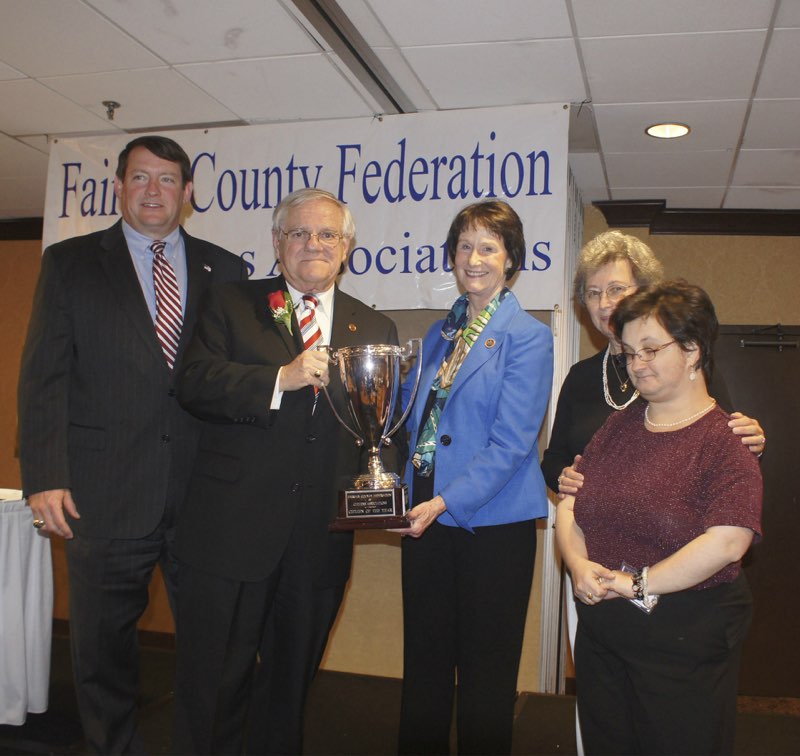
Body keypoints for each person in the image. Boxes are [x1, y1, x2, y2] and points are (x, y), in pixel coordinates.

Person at [17, 135, 247, 753]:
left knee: (212, 652)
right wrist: (44, 475)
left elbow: (236, 384)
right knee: (102, 654)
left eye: (167, 179)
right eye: (140, 177)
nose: (153, 190)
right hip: (104, 495)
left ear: (188, 193)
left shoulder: (226, 270)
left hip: (204, 497)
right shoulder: (70, 264)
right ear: (118, 187)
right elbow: (44, 377)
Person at [171, 188, 403, 755]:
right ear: (277, 243)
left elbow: (382, 428)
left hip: (318, 539)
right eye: (299, 233)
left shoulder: (372, 326)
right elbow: (193, 384)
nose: (313, 244)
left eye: (327, 234)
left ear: (346, 247)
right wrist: (280, 378)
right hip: (231, 532)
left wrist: (387, 490)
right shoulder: (230, 303)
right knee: (214, 685)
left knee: (290, 687)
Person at [541, 230, 764, 755]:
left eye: (651, 350)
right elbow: (571, 505)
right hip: (605, 638)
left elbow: (729, 542)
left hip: (684, 645)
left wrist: (636, 584)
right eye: (630, 352)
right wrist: (577, 565)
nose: (636, 363)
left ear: (692, 352)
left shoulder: (722, 438)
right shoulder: (617, 428)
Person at [396, 200, 553, 755]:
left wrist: (442, 502)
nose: (474, 257)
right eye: (464, 245)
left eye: (488, 246)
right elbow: (413, 423)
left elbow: (512, 444)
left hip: (491, 527)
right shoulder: (441, 333)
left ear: (511, 259)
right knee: (425, 667)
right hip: (424, 521)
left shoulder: (528, 337)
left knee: (486, 680)